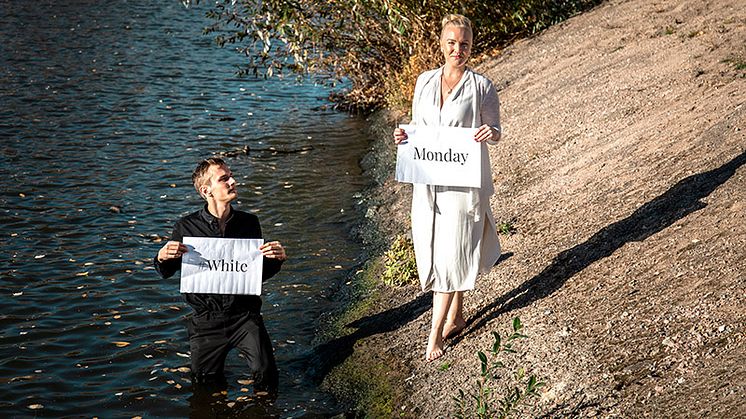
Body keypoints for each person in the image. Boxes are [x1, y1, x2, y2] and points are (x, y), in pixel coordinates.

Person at [393, 14, 502, 361]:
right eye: (452, 43)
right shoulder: (424, 81)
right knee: (433, 248)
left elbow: (496, 129)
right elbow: (416, 127)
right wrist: (403, 136)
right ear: (441, 43)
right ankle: (456, 315)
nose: (458, 50)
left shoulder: (482, 86)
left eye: (465, 44)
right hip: (428, 183)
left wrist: (491, 133)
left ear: (471, 46)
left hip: (463, 184)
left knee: (450, 256)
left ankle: (434, 334)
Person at [154, 157, 287, 392]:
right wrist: (162, 257)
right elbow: (167, 270)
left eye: (231, 175)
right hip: (206, 320)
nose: (233, 181)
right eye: (224, 178)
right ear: (207, 190)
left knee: (267, 377)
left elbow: (253, 275)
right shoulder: (186, 227)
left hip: (245, 315)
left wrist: (276, 260)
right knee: (204, 388)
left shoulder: (249, 222)